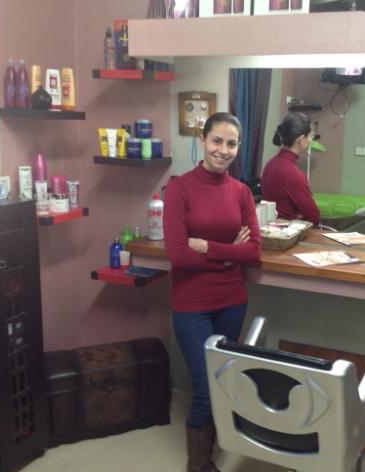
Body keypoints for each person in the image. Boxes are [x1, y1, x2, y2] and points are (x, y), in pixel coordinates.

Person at [163, 112, 261, 472]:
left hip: (231, 301)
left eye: (231, 144)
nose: (223, 150)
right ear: (202, 141)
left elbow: (253, 251)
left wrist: (207, 247)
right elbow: (178, 255)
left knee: (223, 381)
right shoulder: (179, 189)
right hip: (192, 304)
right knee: (206, 386)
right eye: (217, 140)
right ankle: (199, 465)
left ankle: (209, 451)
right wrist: (229, 254)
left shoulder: (241, 192)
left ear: (238, 148)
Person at [261, 112, 321, 225]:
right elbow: (314, 217)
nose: (311, 140)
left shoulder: (270, 164)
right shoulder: (293, 174)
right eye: (310, 136)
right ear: (301, 139)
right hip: (286, 232)